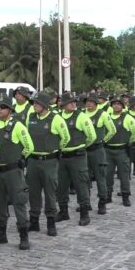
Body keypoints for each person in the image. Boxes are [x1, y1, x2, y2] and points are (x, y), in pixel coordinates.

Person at [0, 94, 34, 249]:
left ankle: (23, 235)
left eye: (3, 107)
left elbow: (29, 146)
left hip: (12, 171)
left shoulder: (17, 125)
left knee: (19, 202)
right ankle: (1, 233)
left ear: (10, 109)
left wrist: (22, 158)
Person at [26, 91, 70, 236]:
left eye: (37, 103)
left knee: (50, 193)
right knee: (33, 192)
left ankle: (51, 221)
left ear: (44, 105)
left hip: (49, 161)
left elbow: (65, 138)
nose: (34, 105)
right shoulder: (30, 117)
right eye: (34, 103)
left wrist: (56, 149)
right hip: (32, 160)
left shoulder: (55, 119)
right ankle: (34, 221)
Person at [55, 92, 96, 225]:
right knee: (61, 186)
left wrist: (82, 146)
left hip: (78, 157)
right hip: (62, 157)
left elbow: (92, 136)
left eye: (74, 101)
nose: (73, 104)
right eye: (70, 102)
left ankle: (84, 213)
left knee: (81, 185)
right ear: (63, 105)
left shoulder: (81, 116)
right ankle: (63, 211)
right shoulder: (58, 116)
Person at [84, 92, 116, 215]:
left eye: (92, 102)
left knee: (100, 177)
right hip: (85, 150)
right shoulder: (82, 114)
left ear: (96, 103)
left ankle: (102, 202)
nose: (89, 104)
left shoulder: (102, 114)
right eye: (87, 102)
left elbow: (112, 130)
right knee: (84, 178)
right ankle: (85, 203)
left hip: (98, 150)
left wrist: (103, 141)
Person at [105, 96, 135, 206]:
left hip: (122, 151)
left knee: (124, 175)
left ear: (122, 106)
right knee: (108, 175)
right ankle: (108, 195)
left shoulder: (127, 118)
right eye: (114, 104)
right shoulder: (107, 117)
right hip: (108, 150)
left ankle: (125, 196)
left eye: (119, 104)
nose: (116, 105)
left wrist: (128, 142)